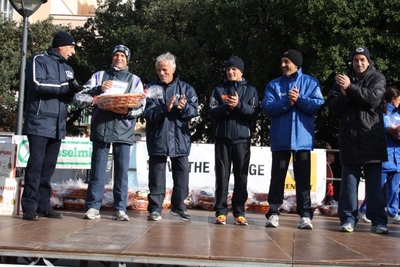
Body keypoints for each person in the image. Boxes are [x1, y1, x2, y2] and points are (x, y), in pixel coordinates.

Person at [79, 45, 146, 221]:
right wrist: (98, 90)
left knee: (122, 172)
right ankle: (93, 207)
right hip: (101, 129)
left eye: (123, 55)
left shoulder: (135, 80)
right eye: (116, 55)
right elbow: (80, 97)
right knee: (97, 171)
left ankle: (120, 209)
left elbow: (141, 106)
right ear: (112, 57)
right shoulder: (99, 76)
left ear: (127, 59)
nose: (119, 58)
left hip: (123, 130)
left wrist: (126, 113)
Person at [21, 31, 83, 221]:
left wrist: (74, 93)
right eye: (71, 47)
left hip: (58, 124)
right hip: (39, 122)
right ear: (61, 45)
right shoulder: (38, 60)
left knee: (48, 168)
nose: (73, 52)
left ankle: (44, 205)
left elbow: (68, 95)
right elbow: (37, 84)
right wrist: (66, 88)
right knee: (35, 166)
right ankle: (29, 207)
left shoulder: (68, 68)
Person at [327, 46, 389, 234]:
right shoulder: (341, 81)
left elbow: (372, 98)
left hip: (372, 139)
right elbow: (333, 107)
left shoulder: (377, 78)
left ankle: (378, 221)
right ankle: (347, 219)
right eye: (356, 60)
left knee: (374, 187)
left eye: (362, 59)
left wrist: (350, 89)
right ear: (351, 62)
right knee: (348, 185)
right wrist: (345, 94)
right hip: (349, 140)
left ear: (368, 61)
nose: (359, 63)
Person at [262, 49, 324, 229]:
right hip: (281, 139)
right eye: (281, 62)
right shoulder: (274, 85)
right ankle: (273, 212)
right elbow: (267, 107)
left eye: (286, 61)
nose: (283, 65)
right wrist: (286, 103)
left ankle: (305, 215)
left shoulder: (311, 82)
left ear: (296, 63)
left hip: (303, 140)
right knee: (277, 177)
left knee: (303, 179)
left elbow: (317, 104)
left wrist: (299, 99)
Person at [144, 52, 199, 221]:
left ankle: (179, 206)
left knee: (182, 175)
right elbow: (147, 113)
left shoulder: (186, 88)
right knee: (156, 176)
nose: (162, 73)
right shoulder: (151, 88)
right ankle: (155, 208)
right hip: (157, 138)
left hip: (179, 139)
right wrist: (165, 109)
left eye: (165, 70)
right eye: (159, 70)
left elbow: (194, 111)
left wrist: (183, 108)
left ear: (173, 69)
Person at [207, 56, 260, 226]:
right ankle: (221, 211)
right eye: (229, 69)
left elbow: (253, 113)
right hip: (222, 139)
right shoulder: (218, 89)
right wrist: (227, 107)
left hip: (242, 140)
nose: (231, 72)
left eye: (234, 69)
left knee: (241, 177)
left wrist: (238, 105)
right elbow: (211, 111)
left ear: (241, 71)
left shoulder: (251, 90)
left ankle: (239, 212)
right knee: (221, 177)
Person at [381, 86, 400, 224]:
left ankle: (392, 213)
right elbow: (384, 129)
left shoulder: (398, 114)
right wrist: (392, 131)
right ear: (393, 99)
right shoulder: (383, 112)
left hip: (397, 157)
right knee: (377, 186)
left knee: (394, 188)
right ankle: (364, 210)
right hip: (385, 155)